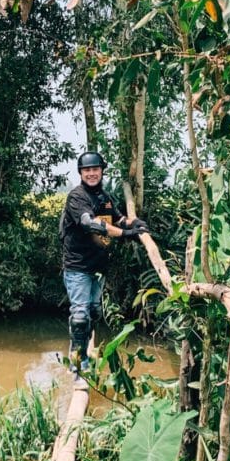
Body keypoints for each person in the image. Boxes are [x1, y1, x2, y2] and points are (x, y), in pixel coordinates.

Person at [59, 151, 148, 373]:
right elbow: (91, 223)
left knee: (94, 313)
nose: (91, 173)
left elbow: (118, 218)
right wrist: (126, 234)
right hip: (78, 267)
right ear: (81, 172)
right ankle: (79, 368)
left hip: (98, 268)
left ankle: (84, 350)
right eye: (87, 170)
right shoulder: (77, 197)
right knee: (80, 317)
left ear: (101, 171)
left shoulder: (105, 197)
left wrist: (134, 222)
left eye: (95, 169)